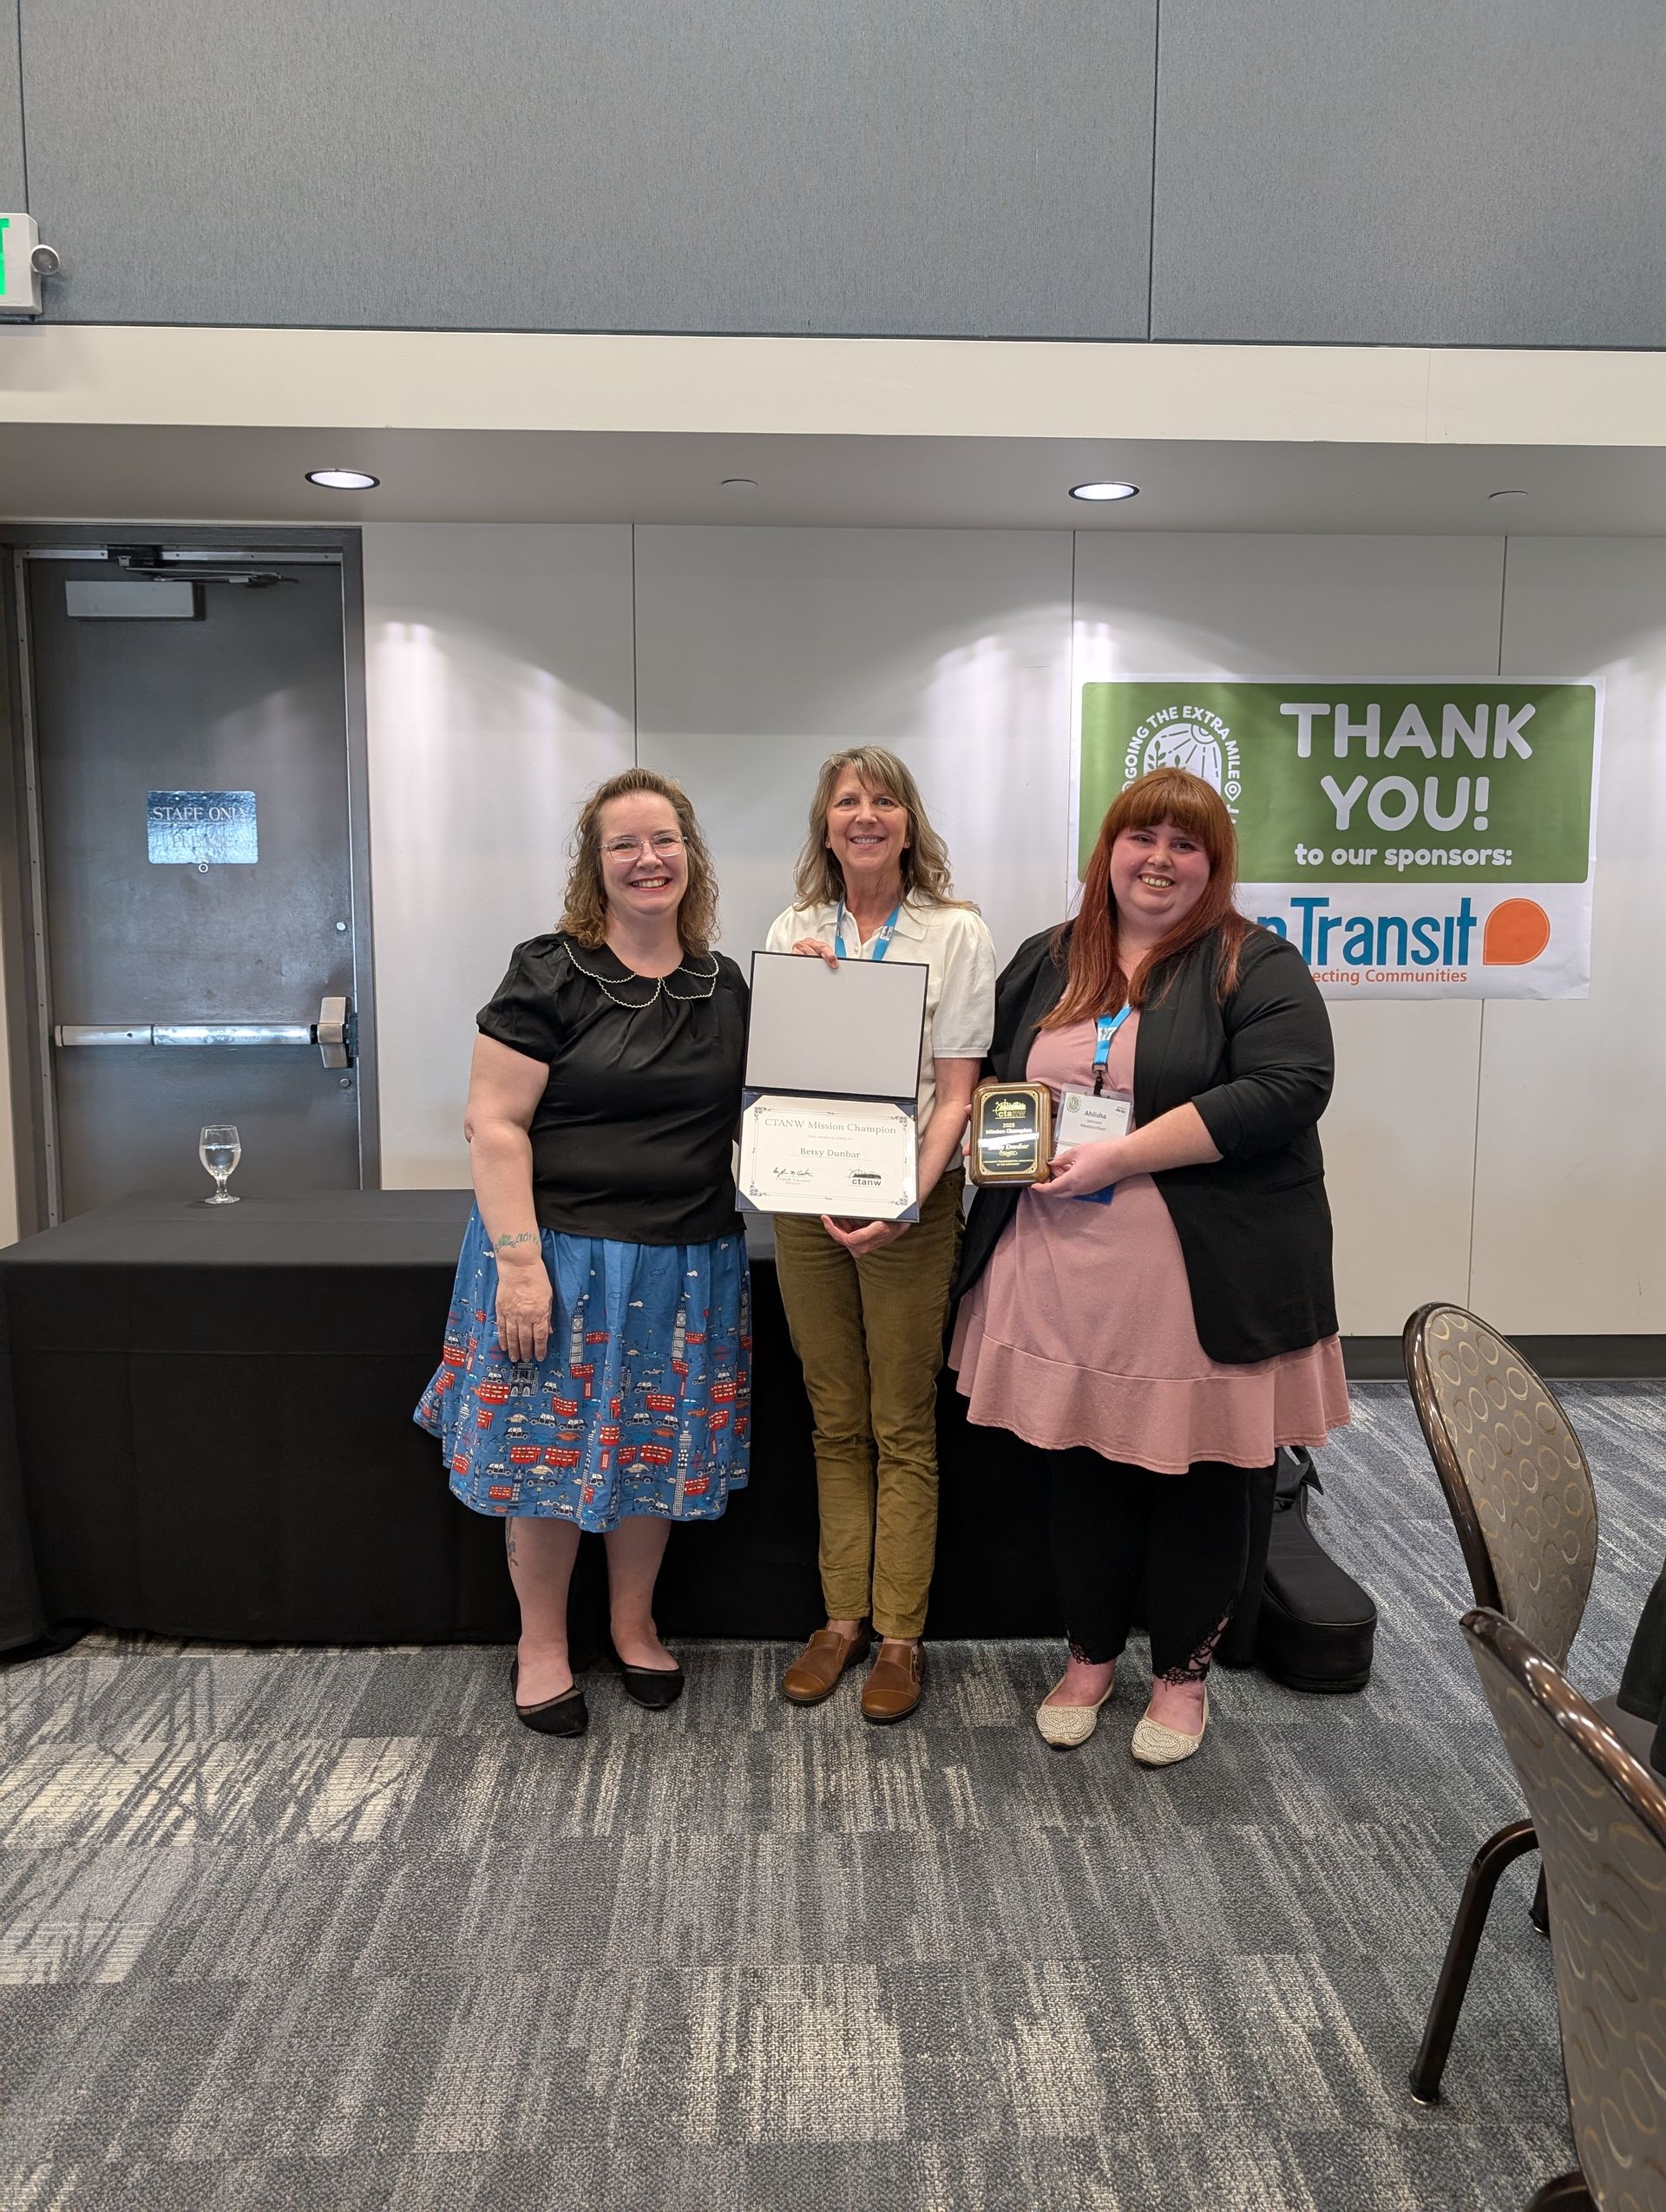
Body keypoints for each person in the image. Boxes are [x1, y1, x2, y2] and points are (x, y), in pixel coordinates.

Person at [951, 767, 1349, 1764]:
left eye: (1186, 845)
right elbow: (989, 1078)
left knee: (1202, 1476)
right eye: (1143, 839)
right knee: (1083, 1467)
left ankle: (1181, 1677)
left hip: (1197, 1279)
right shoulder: (1052, 957)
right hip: (1059, 1267)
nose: (1160, 860)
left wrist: (1125, 1152)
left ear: (1212, 867)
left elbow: (1293, 1085)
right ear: (1109, 851)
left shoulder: (1251, 963)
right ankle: (1089, 1657)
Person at [416, 769, 751, 1738]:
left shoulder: (725, 985)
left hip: (688, 1263)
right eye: (625, 845)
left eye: (665, 840)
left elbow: (771, 1113)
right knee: (546, 1460)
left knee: (653, 1451)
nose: (649, 860)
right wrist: (521, 1265)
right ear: (594, 866)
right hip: (560, 1263)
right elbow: (497, 1124)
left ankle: (633, 1622)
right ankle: (543, 1645)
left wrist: (830, 988)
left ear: (691, 854)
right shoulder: (549, 971)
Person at [768, 748, 995, 1723]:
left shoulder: (956, 932)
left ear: (909, 823)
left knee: (903, 1420)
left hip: (912, 1192)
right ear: (826, 826)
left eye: (884, 799)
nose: (866, 815)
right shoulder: (794, 929)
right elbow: (778, 1072)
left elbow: (957, 1094)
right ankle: (839, 1619)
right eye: (847, 801)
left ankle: (900, 1633)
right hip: (806, 1192)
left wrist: (905, 1194)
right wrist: (806, 988)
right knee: (833, 1416)